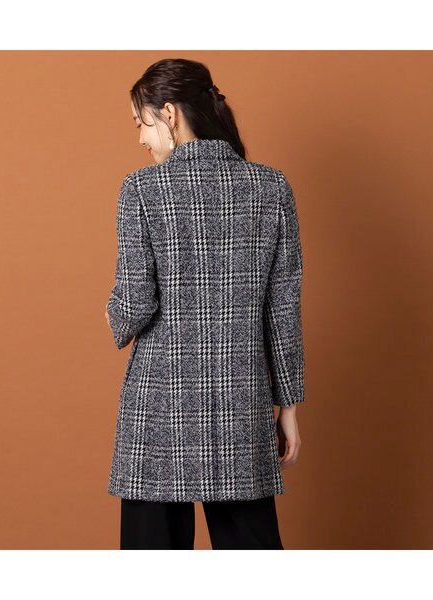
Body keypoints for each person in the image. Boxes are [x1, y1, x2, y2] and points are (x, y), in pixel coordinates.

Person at [105, 58, 305, 550]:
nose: (140, 139)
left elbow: (134, 304)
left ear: (169, 113)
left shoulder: (141, 190)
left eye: (140, 123)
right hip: (242, 402)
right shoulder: (271, 187)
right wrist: (288, 407)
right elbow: (283, 308)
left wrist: (112, 314)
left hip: (159, 406)